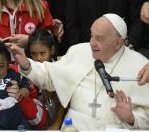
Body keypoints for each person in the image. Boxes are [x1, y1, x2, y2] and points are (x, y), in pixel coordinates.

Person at [10, 13, 149, 130]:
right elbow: (50, 75)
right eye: (91, 35)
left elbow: (146, 115)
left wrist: (131, 119)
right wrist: (28, 64)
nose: (92, 43)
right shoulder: (79, 51)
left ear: (118, 42)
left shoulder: (140, 66)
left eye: (99, 38)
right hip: (73, 127)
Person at [65, 0, 142, 50]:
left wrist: (129, 44)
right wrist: (79, 50)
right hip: (88, 49)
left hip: (120, 49)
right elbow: (72, 24)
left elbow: (136, 19)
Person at [25, 29, 65, 130]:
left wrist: (56, 124)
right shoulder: (27, 70)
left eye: (42, 53)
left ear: (51, 50)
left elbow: (65, 102)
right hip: (37, 123)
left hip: (59, 123)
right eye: (34, 54)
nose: (38, 58)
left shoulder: (61, 68)